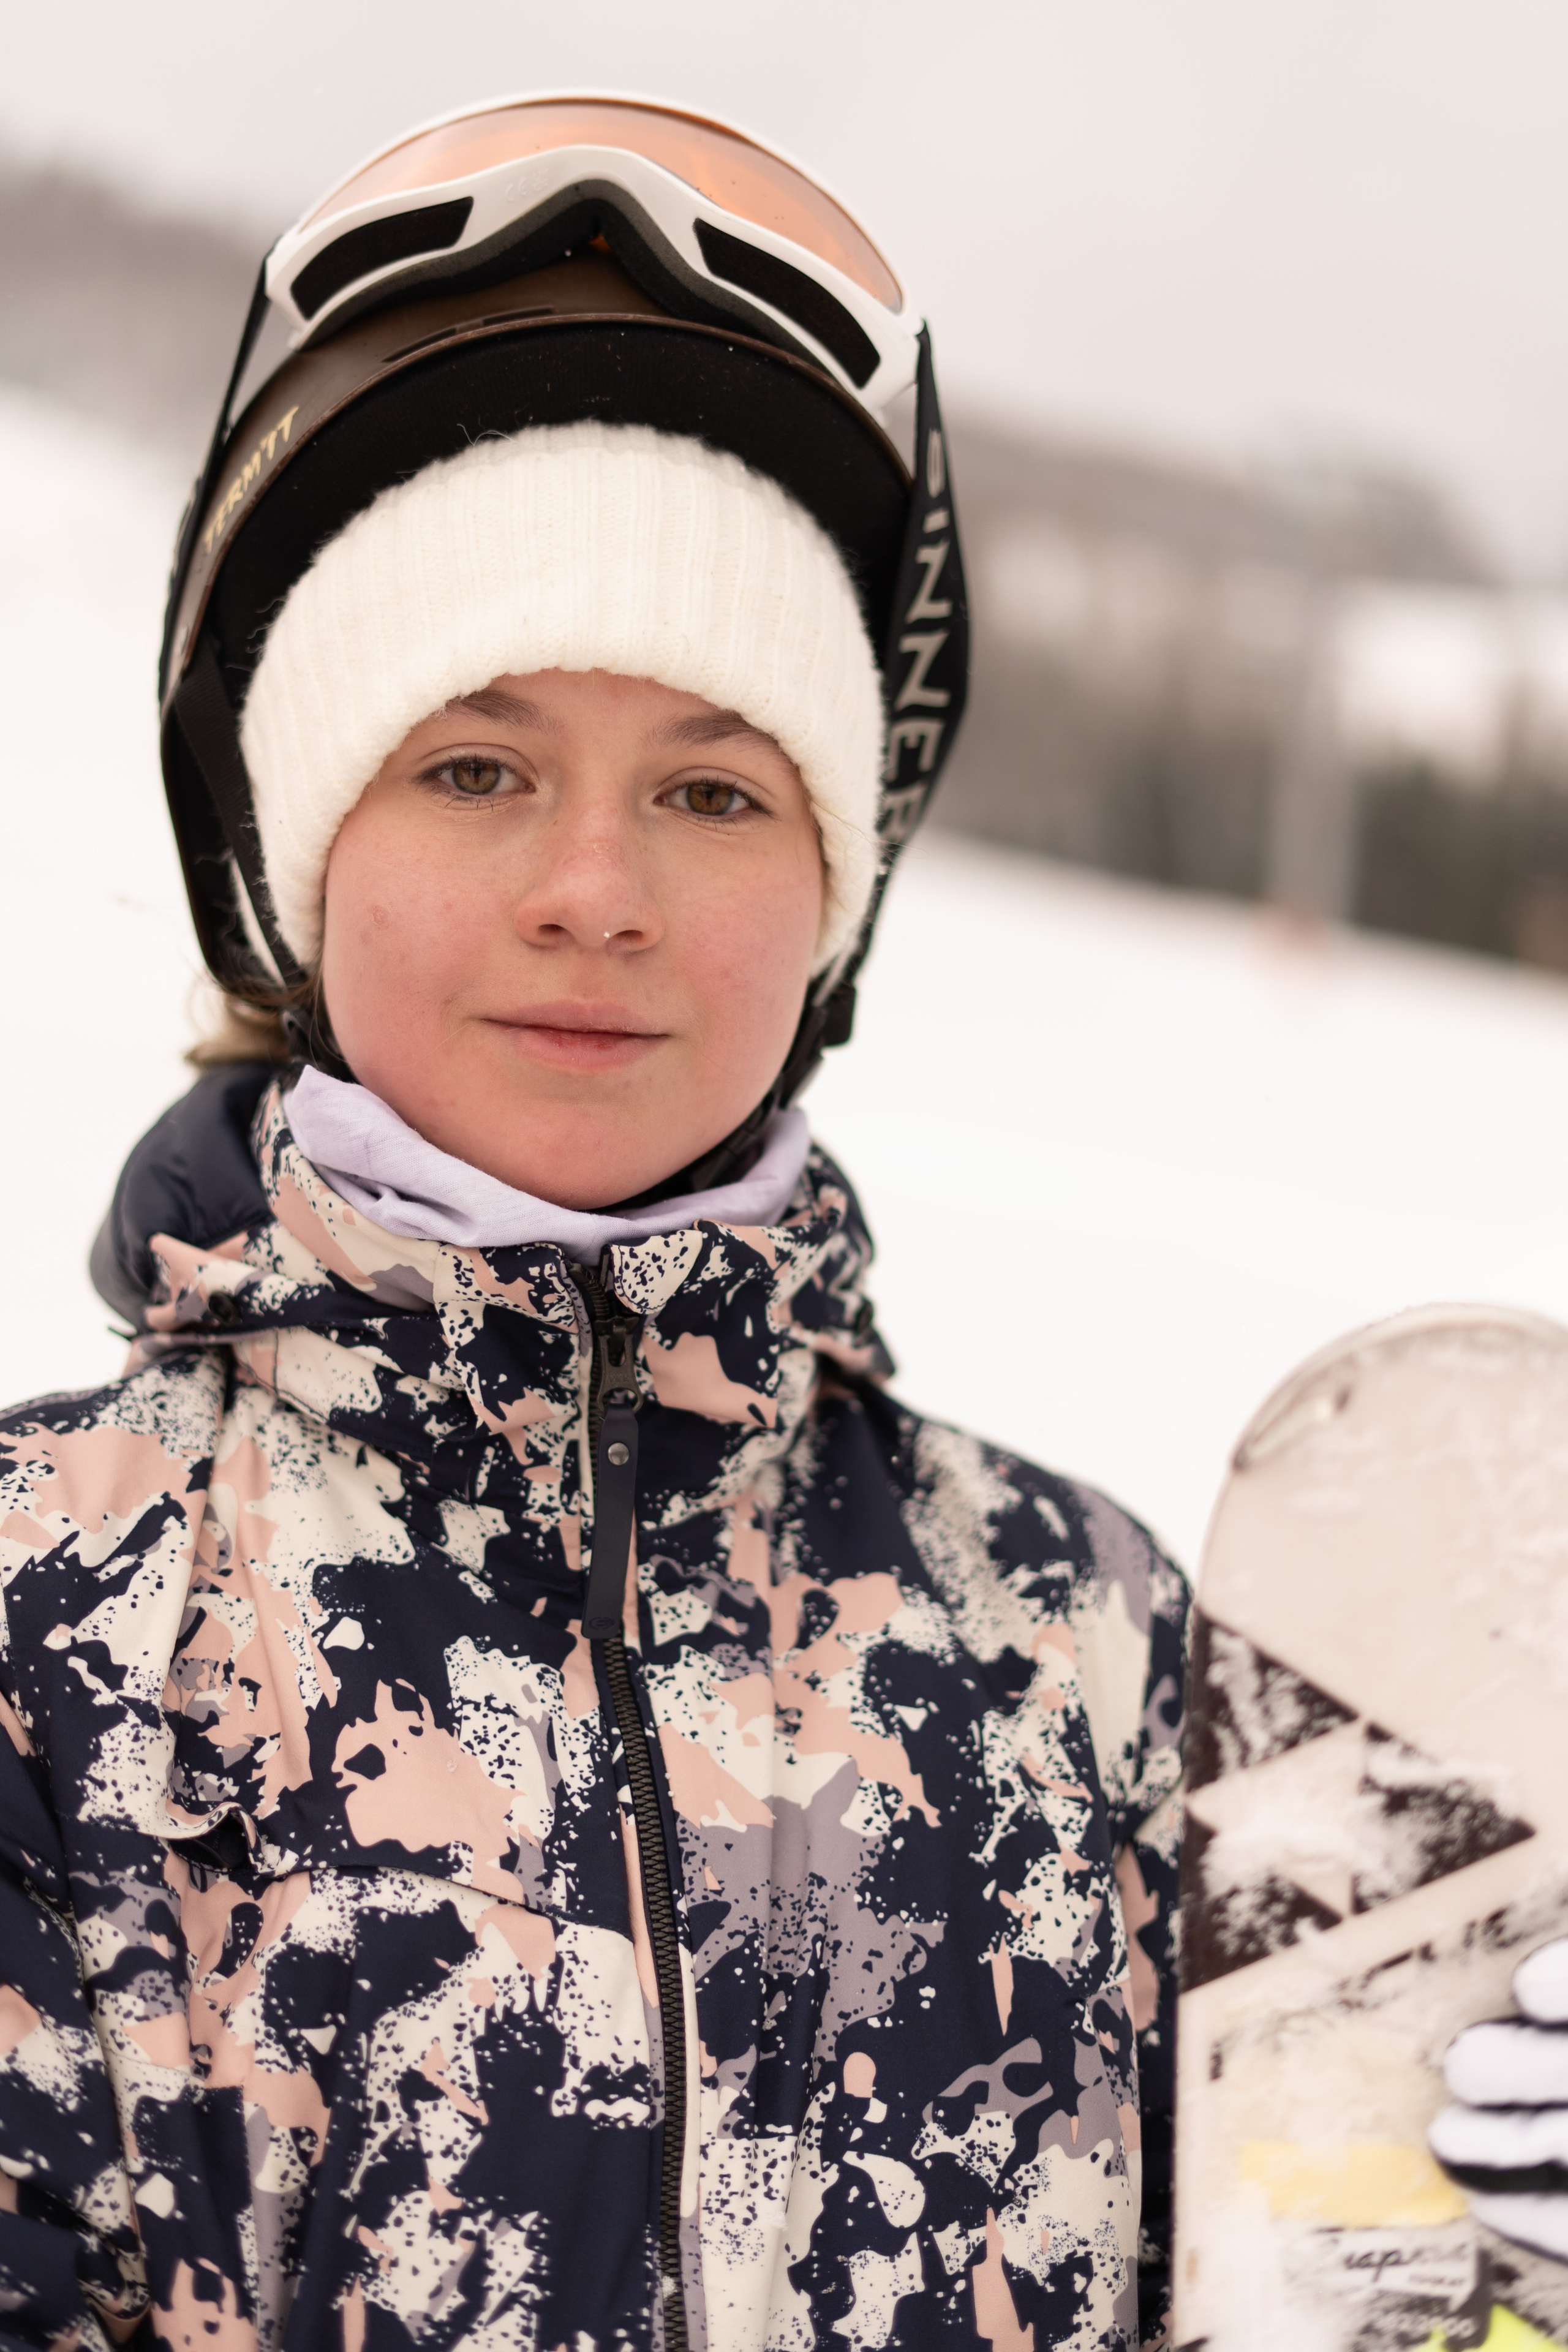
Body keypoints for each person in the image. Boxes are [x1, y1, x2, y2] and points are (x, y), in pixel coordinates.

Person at [0, 96, 1187, 2352]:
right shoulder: (49, 1628)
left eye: (715, 790)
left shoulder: (1092, 1644)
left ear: (829, 905)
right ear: (295, 854)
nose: (595, 890)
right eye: (476, 766)